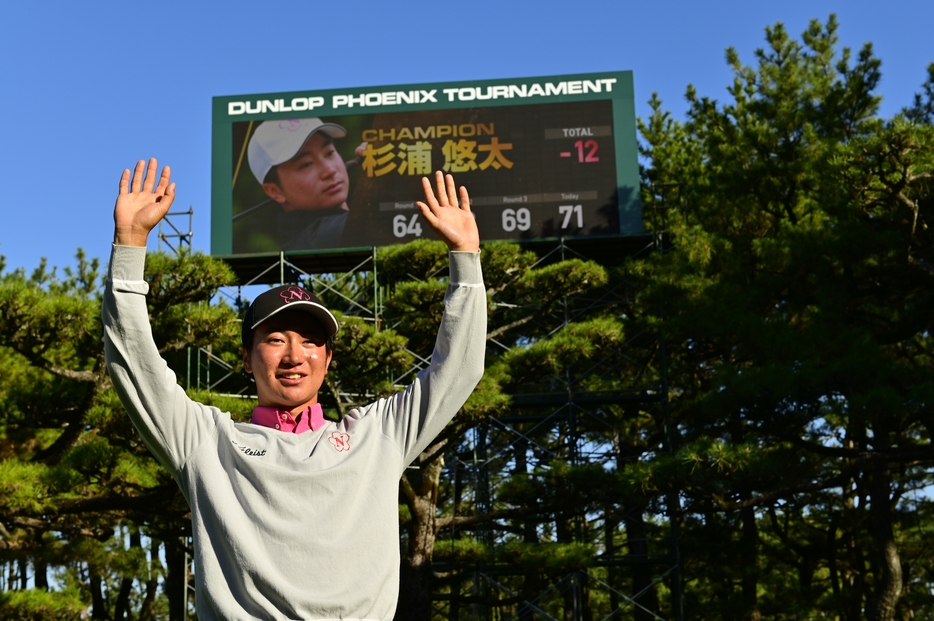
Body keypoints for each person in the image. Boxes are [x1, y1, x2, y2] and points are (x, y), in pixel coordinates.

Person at [104, 159, 485, 620]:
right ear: (246, 358)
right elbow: (134, 364)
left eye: (309, 341)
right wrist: (130, 246)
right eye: (275, 339)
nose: (293, 355)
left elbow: (458, 369)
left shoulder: (378, 437)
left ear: (327, 360)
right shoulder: (208, 442)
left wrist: (465, 258)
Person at [246, 117, 362, 250]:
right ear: (275, 191)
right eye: (306, 164)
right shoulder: (311, 241)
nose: (329, 170)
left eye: (329, 153)